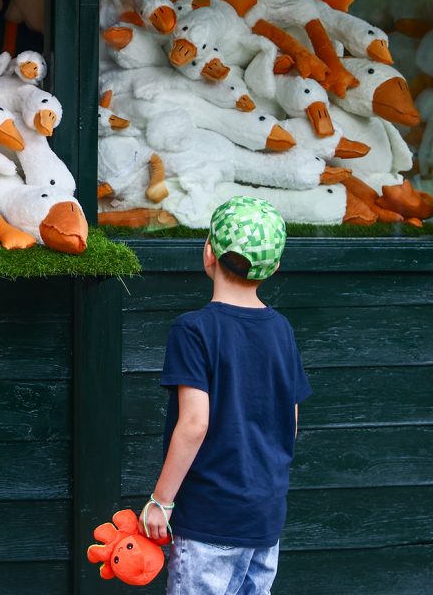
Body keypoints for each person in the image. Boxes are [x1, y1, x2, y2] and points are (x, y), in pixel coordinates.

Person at [140, 195, 312, 595]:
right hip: (264, 518)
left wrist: (161, 501)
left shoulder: (194, 328)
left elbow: (195, 423)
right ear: (275, 267)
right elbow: (292, 420)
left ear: (208, 252)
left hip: (210, 519)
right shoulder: (281, 329)